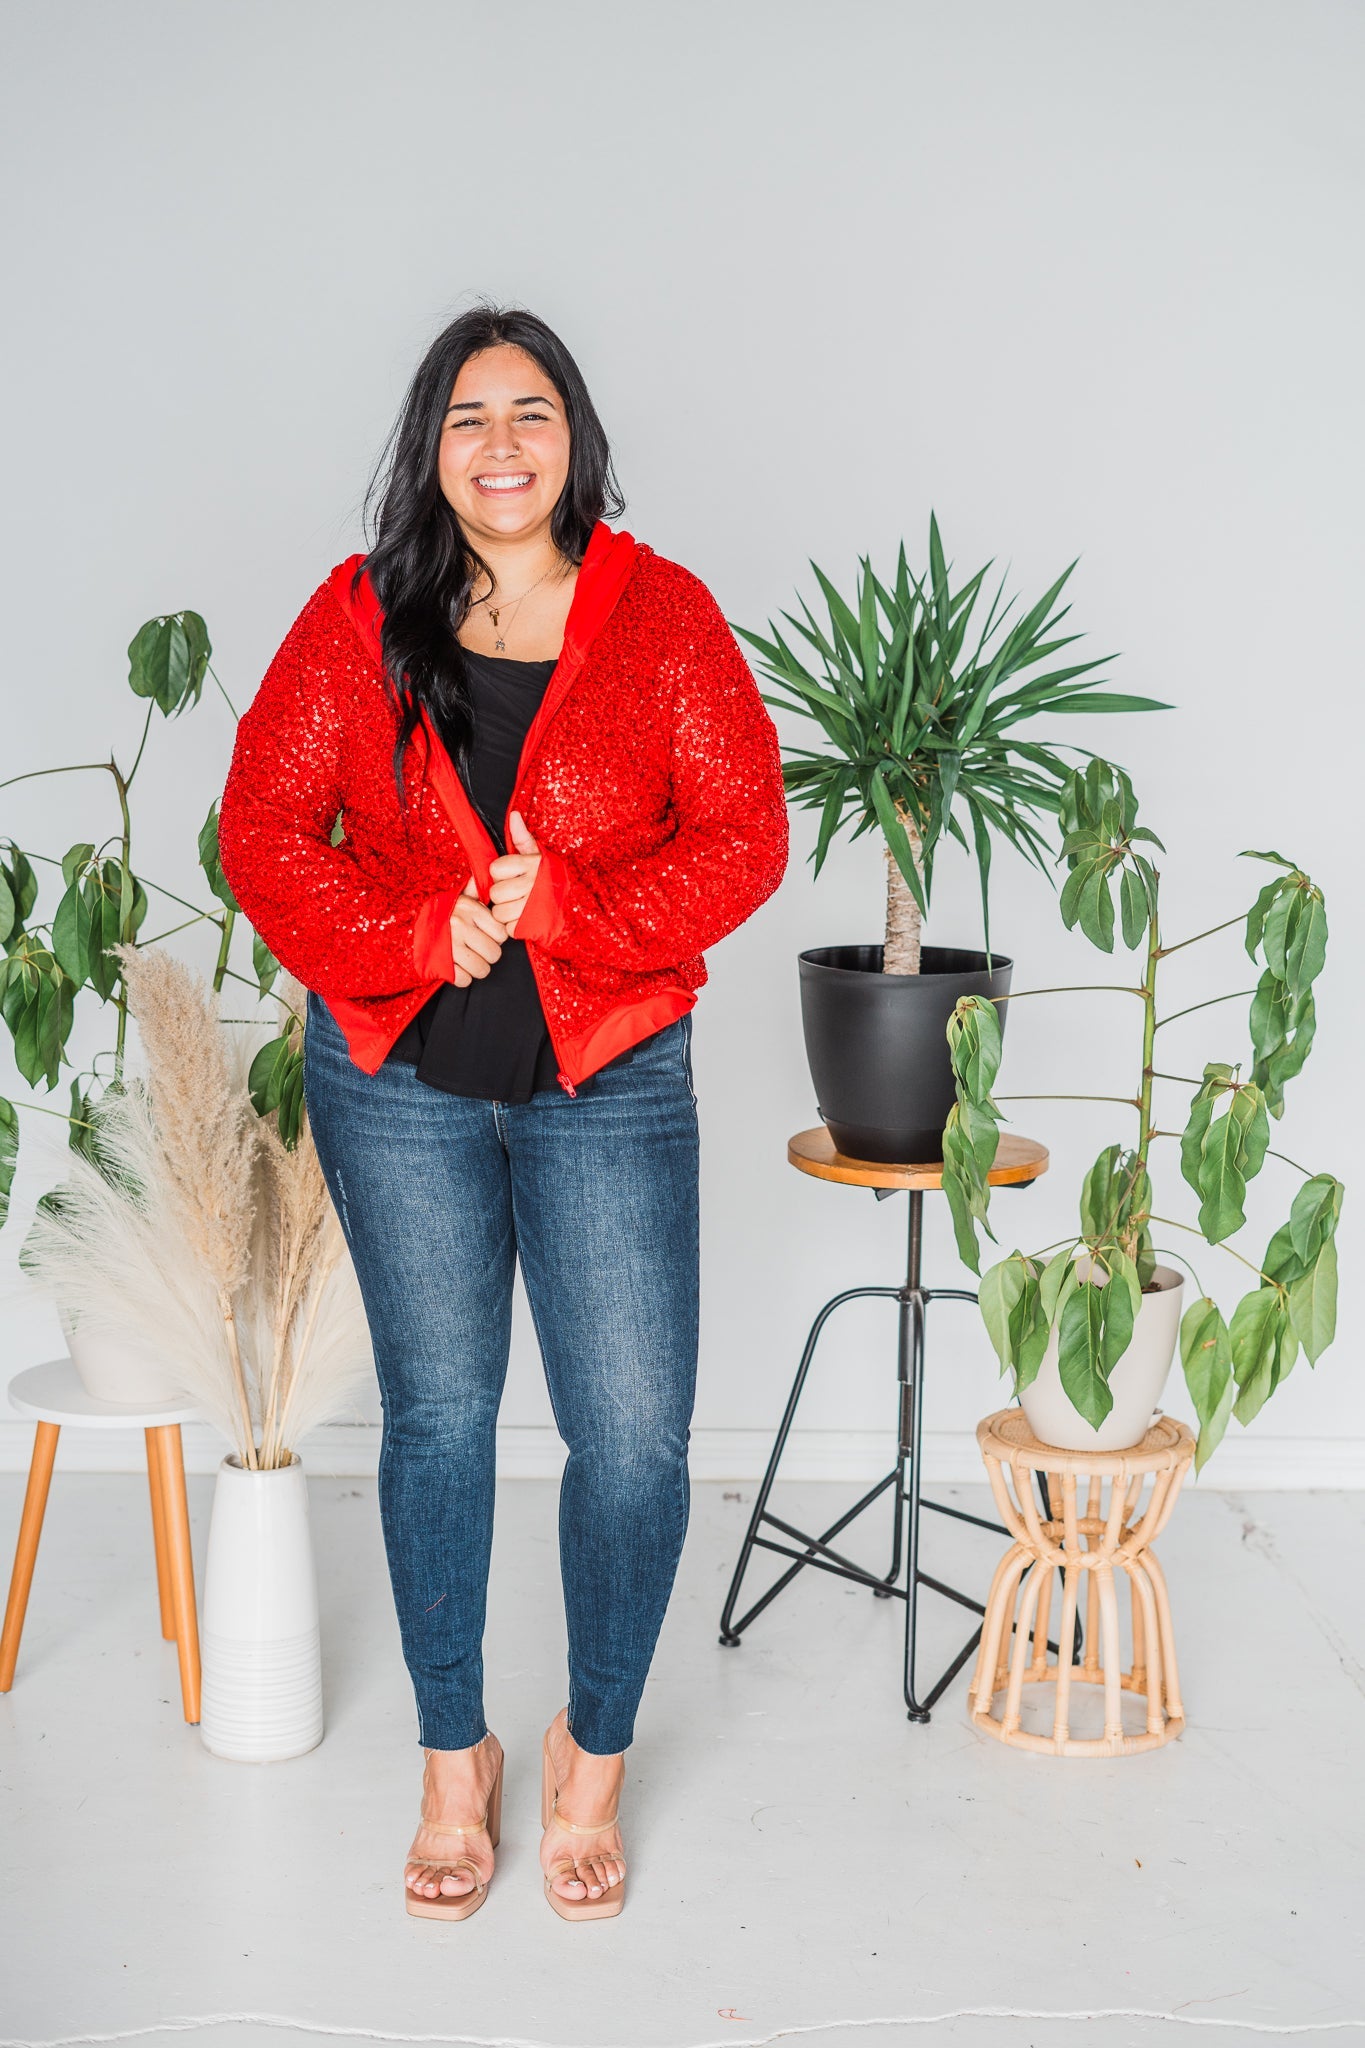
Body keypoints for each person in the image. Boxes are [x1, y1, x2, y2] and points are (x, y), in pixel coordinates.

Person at [217, 302, 789, 1921]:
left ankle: (589, 1750)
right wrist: (412, 935)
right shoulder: (359, 614)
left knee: (630, 1440)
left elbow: (744, 835)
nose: (501, 446)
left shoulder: (661, 616)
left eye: (530, 413)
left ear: (574, 438)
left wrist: (565, 913)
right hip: (395, 1080)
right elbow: (265, 826)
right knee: (441, 1424)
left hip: (606, 1071)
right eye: (468, 418)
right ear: (432, 449)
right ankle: (450, 1755)